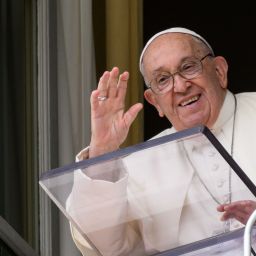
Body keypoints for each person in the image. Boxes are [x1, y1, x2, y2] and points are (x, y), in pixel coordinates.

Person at [66, 27, 256, 256]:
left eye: (188, 67)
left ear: (219, 71)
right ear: (154, 101)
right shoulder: (142, 163)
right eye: (163, 80)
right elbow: (104, 245)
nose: (180, 86)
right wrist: (101, 152)